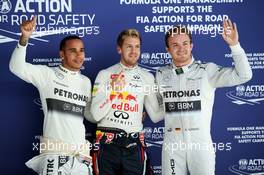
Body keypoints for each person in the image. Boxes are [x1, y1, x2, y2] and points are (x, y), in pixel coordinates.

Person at [155, 19, 252, 175]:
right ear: (167, 49)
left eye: (185, 43)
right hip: (172, 146)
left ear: (192, 46)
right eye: (175, 45)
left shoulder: (207, 70)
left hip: (200, 145)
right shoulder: (161, 74)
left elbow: (244, 75)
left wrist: (235, 46)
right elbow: (158, 107)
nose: (181, 49)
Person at [9, 16, 93, 175]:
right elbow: (16, 67)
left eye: (81, 50)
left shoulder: (86, 81)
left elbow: (89, 114)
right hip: (54, 154)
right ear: (62, 54)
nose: (79, 55)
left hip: (81, 156)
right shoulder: (47, 74)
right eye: (72, 50)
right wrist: (24, 38)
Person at [87, 29, 164, 175]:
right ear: (119, 49)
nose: (134, 51)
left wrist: (175, 101)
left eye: (137, 46)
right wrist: (113, 91)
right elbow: (96, 115)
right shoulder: (105, 74)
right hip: (106, 142)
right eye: (129, 46)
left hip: (133, 144)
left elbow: (155, 115)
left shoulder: (146, 77)